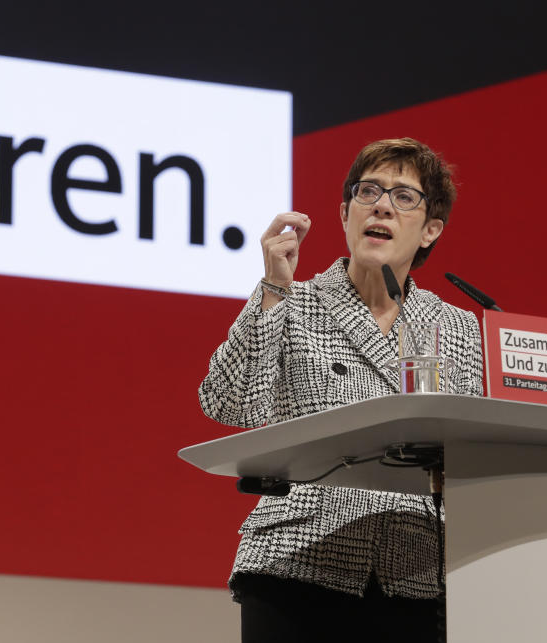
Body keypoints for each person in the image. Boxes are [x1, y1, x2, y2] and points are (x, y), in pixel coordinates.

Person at [198, 138, 484, 642]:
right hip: (299, 563)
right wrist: (273, 289)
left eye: (404, 197)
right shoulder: (293, 300)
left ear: (430, 230)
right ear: (345, 213)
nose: (381, 205)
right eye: (368, 191)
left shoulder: (455, 327)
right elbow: (229, 403)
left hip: (414, 573)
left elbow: (476, 452)